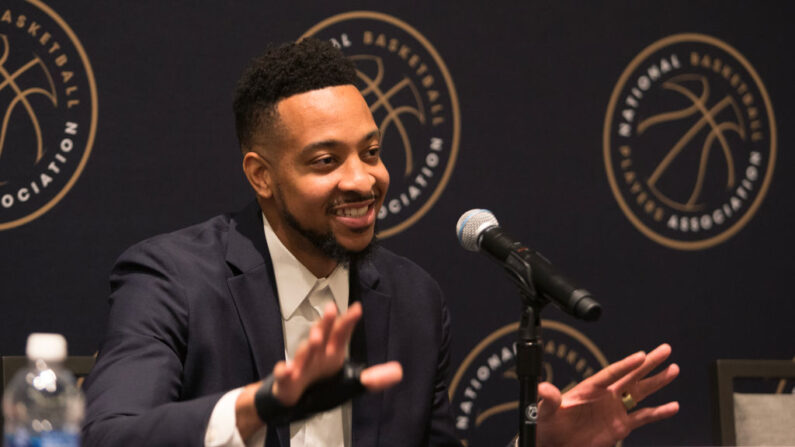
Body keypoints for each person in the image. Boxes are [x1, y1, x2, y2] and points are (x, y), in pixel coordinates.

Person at [82, 38, 679, 447]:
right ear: (261, 175)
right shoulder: (171, 278)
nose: (363, 180)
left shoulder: (412, 298)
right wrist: (260, 404)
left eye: (371, 152)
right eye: (325, 160)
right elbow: (108, 436)